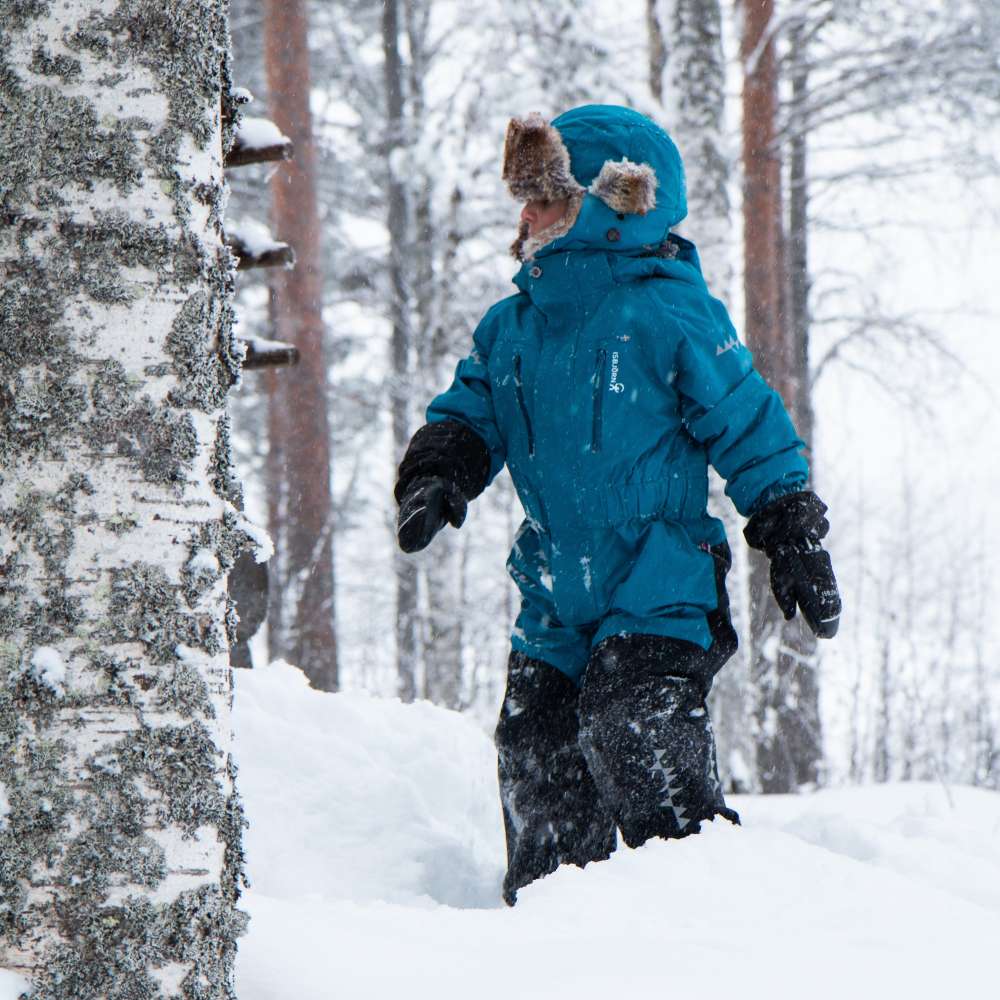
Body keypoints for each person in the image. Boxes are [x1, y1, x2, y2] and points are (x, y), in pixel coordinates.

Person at [394, 105, 841, 906]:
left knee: (631, 723)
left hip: (658, 578)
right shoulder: (511, 327)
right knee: (535, 744)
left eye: (545, 200)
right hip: (555, 587)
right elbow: (471, 412)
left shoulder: (667, 311)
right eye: (523, 200)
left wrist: (790, 521)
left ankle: (709, 903)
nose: (524, 217)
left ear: (606, 205)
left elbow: (746, 419)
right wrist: (442, 468)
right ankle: (554, 927)